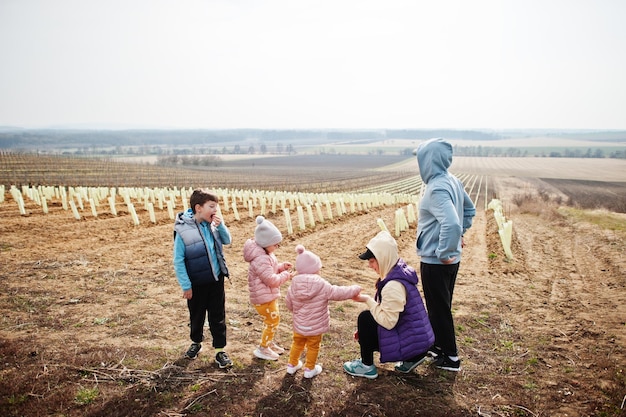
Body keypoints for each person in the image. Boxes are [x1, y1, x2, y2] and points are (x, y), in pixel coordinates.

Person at [415, 138, 476, 372]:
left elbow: (451, 223)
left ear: (428, 161)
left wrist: (445, 250)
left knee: (439, 308)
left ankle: (450, 358)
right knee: (440, 305)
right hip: (449, 260)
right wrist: (458, 239)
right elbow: (468, 211)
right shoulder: (453, 181)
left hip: (437, 261)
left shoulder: (437, 188)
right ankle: (438, 346)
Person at [343, 231, 434, 379]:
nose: (369, 266)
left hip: (414, 343)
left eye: (372, 261)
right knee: (368, 323)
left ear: (383, 258)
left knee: (366, 318)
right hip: (419, 341)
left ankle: (366, 367)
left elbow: (389, 322)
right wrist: (366, 334)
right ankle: (413, 358)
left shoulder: (393, 285)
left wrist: (367, 300)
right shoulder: (400, 272)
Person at [173, 188, 233, 369]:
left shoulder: (213, 225)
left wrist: (220, 225)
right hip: (196, 284)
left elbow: (227, 240)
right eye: (212, 206)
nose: (216, 210)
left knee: (218, 315)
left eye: (217, 206)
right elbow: (178, 260)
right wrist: (186, 286)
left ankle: (220, 350)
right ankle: (196, 342)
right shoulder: (182, 230)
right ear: (198, 208)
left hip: (216, 280)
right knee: (197, 315)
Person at [286, 244, 362, 379]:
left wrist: (297, 312)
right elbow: (338, 292)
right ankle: (309, 369)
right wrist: (354, 289)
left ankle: (291, 365)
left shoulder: (293, 284)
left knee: (297, 343)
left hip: (299, 325)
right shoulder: (321, 284)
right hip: (315, 327)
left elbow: (289, 304)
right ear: (314, 269)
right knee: (313, 346)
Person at [243, 215, 294, 361]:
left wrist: (281, 267)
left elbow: (269, 271)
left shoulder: (266, 254)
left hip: (268, 296)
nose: (277, 247)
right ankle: (263, 348)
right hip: (263, 298)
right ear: (265, 243)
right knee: (272, 321)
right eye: (275, 244)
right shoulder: (261, 258)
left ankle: (268, 343)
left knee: (273, 320)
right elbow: (271, 280)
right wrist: (286, 275)